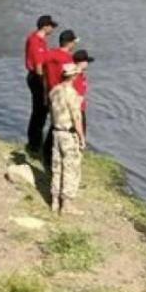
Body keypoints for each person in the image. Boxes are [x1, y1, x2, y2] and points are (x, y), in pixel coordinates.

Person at [48, 63, 87, 214]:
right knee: (71, 168)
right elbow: (77, 119)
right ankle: (67, 204)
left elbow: (51, 112)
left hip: (56, 132)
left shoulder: (54, 91)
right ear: (73, 76)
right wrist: (82, 138)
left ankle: (54, 201)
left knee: (57, 167)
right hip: (68, 134)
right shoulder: (72, 94)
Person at [42, 30, 79, 168]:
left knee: (53, 123)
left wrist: (45, 94)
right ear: (69, 43)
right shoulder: (67, 60)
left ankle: (47, 154)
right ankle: (52, 156)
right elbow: (70, 79)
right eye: (74, 42)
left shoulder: (49, 53)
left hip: (52, 93)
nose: (74, 44)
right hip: (62, 95)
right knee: (60, 126)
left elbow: (44, 74)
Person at [24, 14, 57, 152]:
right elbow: (38, 67)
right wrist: (45, 83)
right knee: (40, 112)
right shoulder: (36, 42)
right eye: (52, 26)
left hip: (35, 77)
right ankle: (34, 144)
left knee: (40, 112)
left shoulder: (37, 38)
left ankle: (36, 141)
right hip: (38, 79)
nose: (53, 29)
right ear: (45, 26)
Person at [72, 49, 92, 135]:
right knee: (80, 133)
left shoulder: (80, 75)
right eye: (87, 61)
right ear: (82, 63)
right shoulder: (75, 76)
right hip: (77, 109)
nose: (88, 64)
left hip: (80, 107)